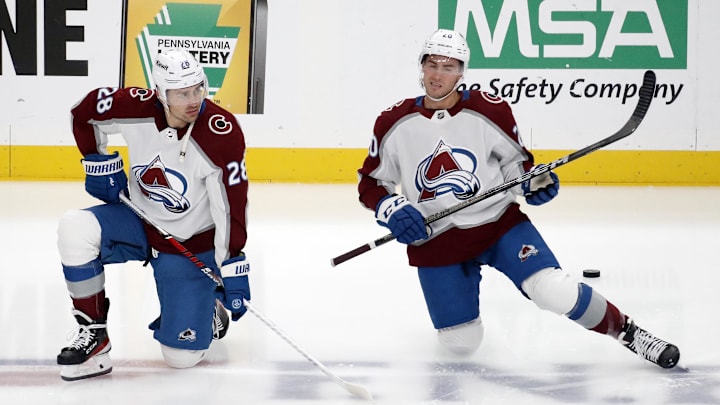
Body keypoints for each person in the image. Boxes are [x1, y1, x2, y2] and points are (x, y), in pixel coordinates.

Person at [356, 29, 680, 369]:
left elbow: (517, 166)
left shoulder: (489, 109)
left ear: (462, 72)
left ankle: (629, 332)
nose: (438, 74)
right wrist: (392, 208)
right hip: (437, 240)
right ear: (421, 67)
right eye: (432, 64)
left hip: (497, 225)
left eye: (449, 66)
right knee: (460, 345)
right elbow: (371, 183)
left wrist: (532, 183)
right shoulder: (393, 122)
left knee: (552, 289)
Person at [56, 49, 252, 381]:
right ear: (160, 92)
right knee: (75, 228)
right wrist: (95, 158)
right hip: (139, 222)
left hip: (189, 244)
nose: (193, 100)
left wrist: (232, 262)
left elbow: (230, 205)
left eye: (197, 89)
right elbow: (83, 112)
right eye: (181, 93)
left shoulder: (220, 132)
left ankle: (209, 308)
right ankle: (95, 336)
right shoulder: (134, 106)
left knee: (181, 357)